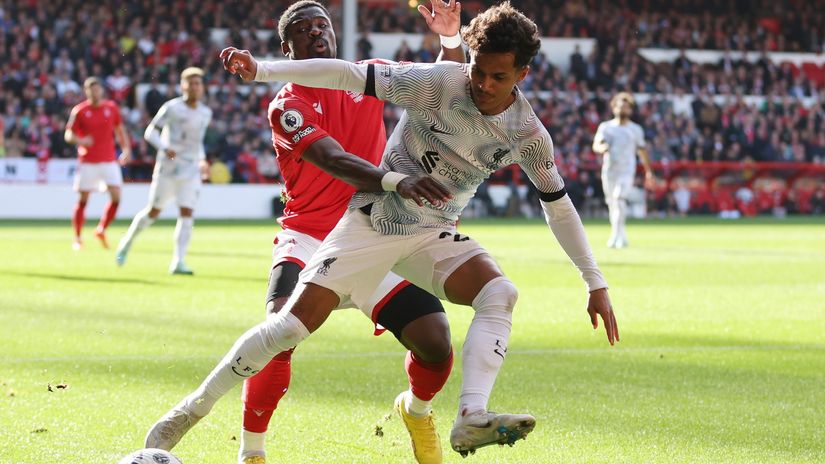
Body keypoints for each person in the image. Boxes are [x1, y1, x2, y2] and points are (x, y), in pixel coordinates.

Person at [147, 0, 618, 459]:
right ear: (288, 46)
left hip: (430, 229)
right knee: (286, 329)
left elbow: (558, 206)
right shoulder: (295, 101)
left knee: (495, 297)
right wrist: (263, 70)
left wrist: (594, 280)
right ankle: (195, 413)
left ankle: (470, 415)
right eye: (478, 72)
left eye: (499, 77)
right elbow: (342, 132)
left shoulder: (528, 134)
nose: (484, 85)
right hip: (365, 222)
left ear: (522, 75)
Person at [115, 67, 212, 275]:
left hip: (191, 169)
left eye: (198, 84)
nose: (195, 87)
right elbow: (150, 131)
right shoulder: (172, 108)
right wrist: (164, 147)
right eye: (191, 83)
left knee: (187, 213)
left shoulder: (205, 112)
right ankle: (127, 240)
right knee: (154, 211)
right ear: (183, 86)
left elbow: (198, 142)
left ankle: (178, 261)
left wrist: (203, 160)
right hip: (168, 169)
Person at [64, 77, 132, 250]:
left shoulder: (111, 108)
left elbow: (119, 129)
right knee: (83, 200)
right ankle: (78, 238)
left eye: (97, 89)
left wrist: (126, 149)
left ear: (101, 90)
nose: (95, 92)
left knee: (117, 197)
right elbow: (68, 135)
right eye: (91, 90)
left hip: (109, 159)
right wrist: (81, 140)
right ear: (86, 92)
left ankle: (101, 229)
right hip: (88, 161)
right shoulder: (80, 110)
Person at [591, 92, 654, 248]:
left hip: (627, 170)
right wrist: (602, 148)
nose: (623, 109)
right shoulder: (606, 127)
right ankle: (620, 233)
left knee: (619, 198)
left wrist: (648, 170)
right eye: (620, 106)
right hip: (609, 170)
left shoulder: (635, 129)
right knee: (612, 203)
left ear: (630, 110)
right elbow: (596, 144)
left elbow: (642, 151)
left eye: (626, 107)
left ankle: (615, 236)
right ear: (614, 108)